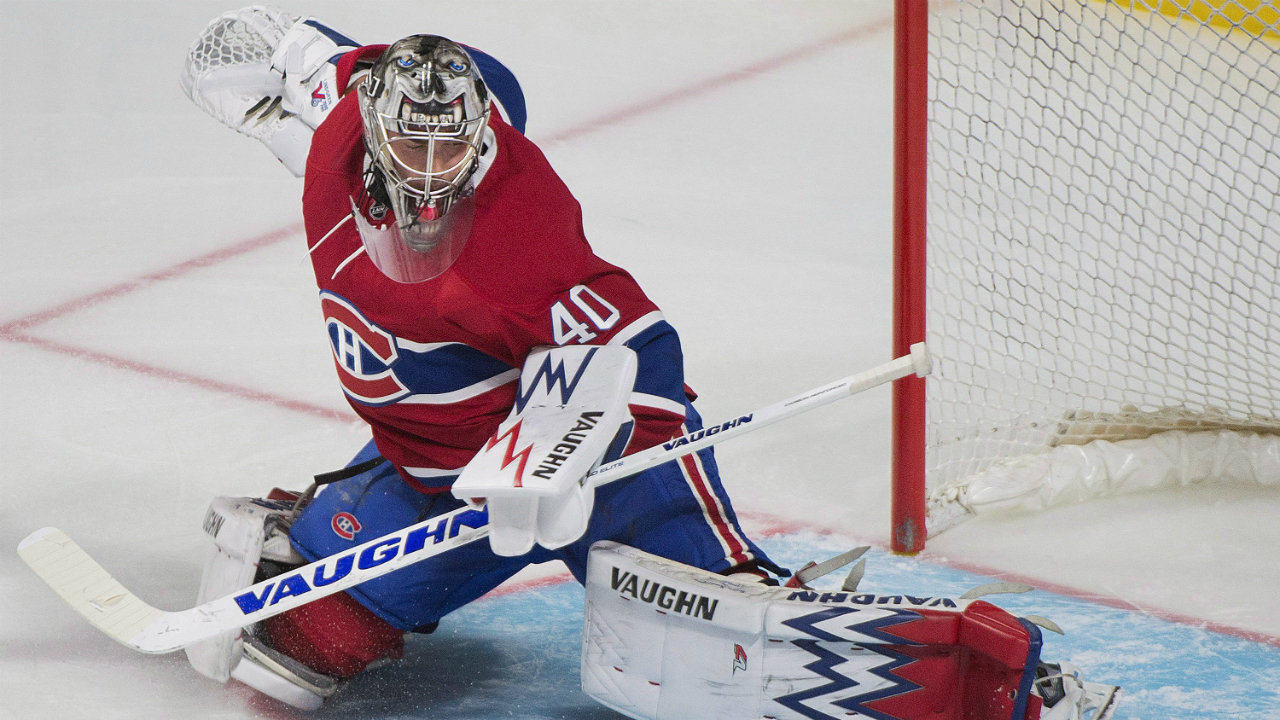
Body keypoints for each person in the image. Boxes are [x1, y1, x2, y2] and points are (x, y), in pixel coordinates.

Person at [180, 8, 783, 709]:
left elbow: (643, 352)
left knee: (711, 639)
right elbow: (381, 73)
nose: (434, 173)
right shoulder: (340, 120)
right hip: (438, 474)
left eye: (452, 148)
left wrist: (560, 463)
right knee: (305, 644)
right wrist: (301, 49)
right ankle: (323, 524)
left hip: (599, 468)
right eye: (412, 145)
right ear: (372, 129)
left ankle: (735, 579)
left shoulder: (515, 240)